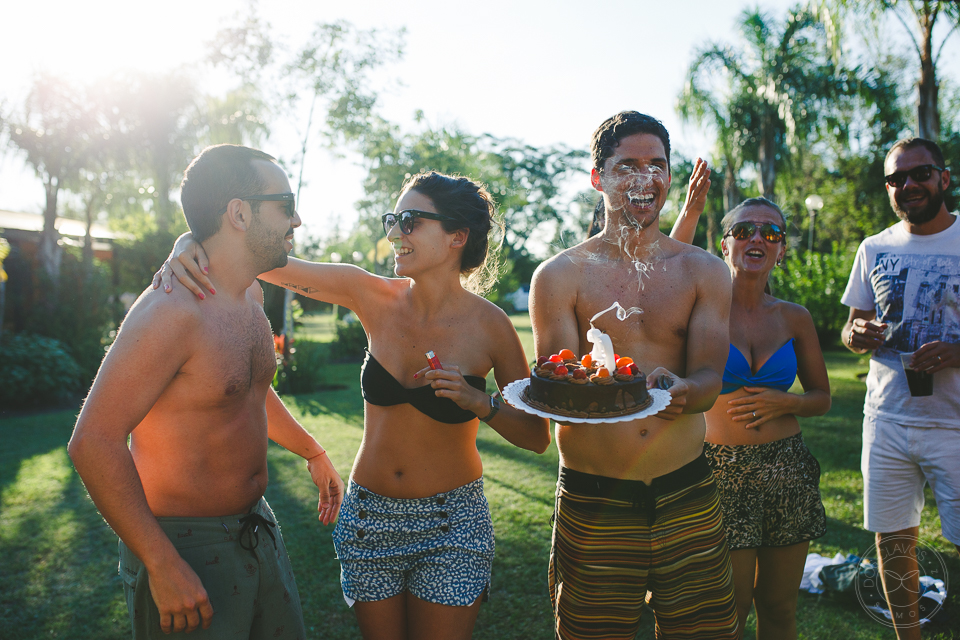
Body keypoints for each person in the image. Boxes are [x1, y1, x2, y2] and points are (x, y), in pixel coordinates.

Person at [157, 170, 551, 640]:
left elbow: (536, 436)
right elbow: (267, 261)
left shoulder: (492, 328)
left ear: (456, 236)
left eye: (410, 221)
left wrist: (479, 401)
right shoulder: (370, 295)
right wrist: (189, 240)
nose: (395, 234)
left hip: (453, 524)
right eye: (392, 220)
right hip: (370, 518)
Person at [68, 144, 344, 639]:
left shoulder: (251, 294)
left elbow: (247, 392)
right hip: (183, 548)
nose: (297, 220)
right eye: (285, 204)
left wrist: (312, 451)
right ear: (239, 213)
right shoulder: (172, 310)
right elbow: (93, 441)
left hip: (257, 529)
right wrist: (162, 563)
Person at [529, 111, 738, 639]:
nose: (645, 179)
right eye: (628, 166)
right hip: (594, 497)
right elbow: (559, 384)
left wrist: (688, 389)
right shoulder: (558, 276)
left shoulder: (706, 271)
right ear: (598, 177)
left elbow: (710, 379)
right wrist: (611, 387)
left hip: (686, 490)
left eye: (657, 165)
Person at [672, 195, 831, 639]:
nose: (756, 238)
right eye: (743, 230)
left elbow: (822, 397)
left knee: (779, 607)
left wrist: (790, 403)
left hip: (788, 471)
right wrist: (687, 216)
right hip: (719, 470)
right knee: (730, 609)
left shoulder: (795, 318)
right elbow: (664, 270)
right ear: (724, 245)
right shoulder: (698, 310)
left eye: (770, 232)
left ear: (781, 249)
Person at [841, 137, 960, 640]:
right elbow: (851, 329)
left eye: (919, 174)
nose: (908, 185)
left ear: (944, 178)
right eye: (896, 179)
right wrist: (856, 335)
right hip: (887, 419)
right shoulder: (875, 247)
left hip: (955, 425)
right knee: (893, 543)